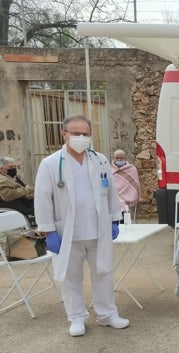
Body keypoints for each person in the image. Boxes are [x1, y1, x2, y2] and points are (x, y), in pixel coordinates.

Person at [34, 114, 128, 337]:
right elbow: (42, 198)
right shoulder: (50, 164)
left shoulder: (100, 160)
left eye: (85, 134)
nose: (81, 138)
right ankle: (76, 317)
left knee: (104, 273)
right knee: (71, 277)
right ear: (64, 134)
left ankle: (107, 314)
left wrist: (115, 219)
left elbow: (112, 192)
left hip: (98, 229)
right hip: (66, 232)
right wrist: (48, 231)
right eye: (75, 133)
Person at [0, 156, 35, 225]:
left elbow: (20, 187)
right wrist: (26, 190)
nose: (13, 169)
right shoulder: (2, 179)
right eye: (10, 167)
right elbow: (7, 195)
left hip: (18, 200)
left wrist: (28, 189)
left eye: (14, 167)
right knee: (36, 208)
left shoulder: (10, 177)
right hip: (9, 203)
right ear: (1, 169)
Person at [111, 149, 141, 216]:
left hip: (128, 195)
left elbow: (134, 186)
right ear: (114, 158)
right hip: (113, 195)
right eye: (117, 158)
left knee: (120, 203)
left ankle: (122, 222)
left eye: (121, 158)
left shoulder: (131, 169)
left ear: (125, 158)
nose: (119, 160)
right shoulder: (110, 169)